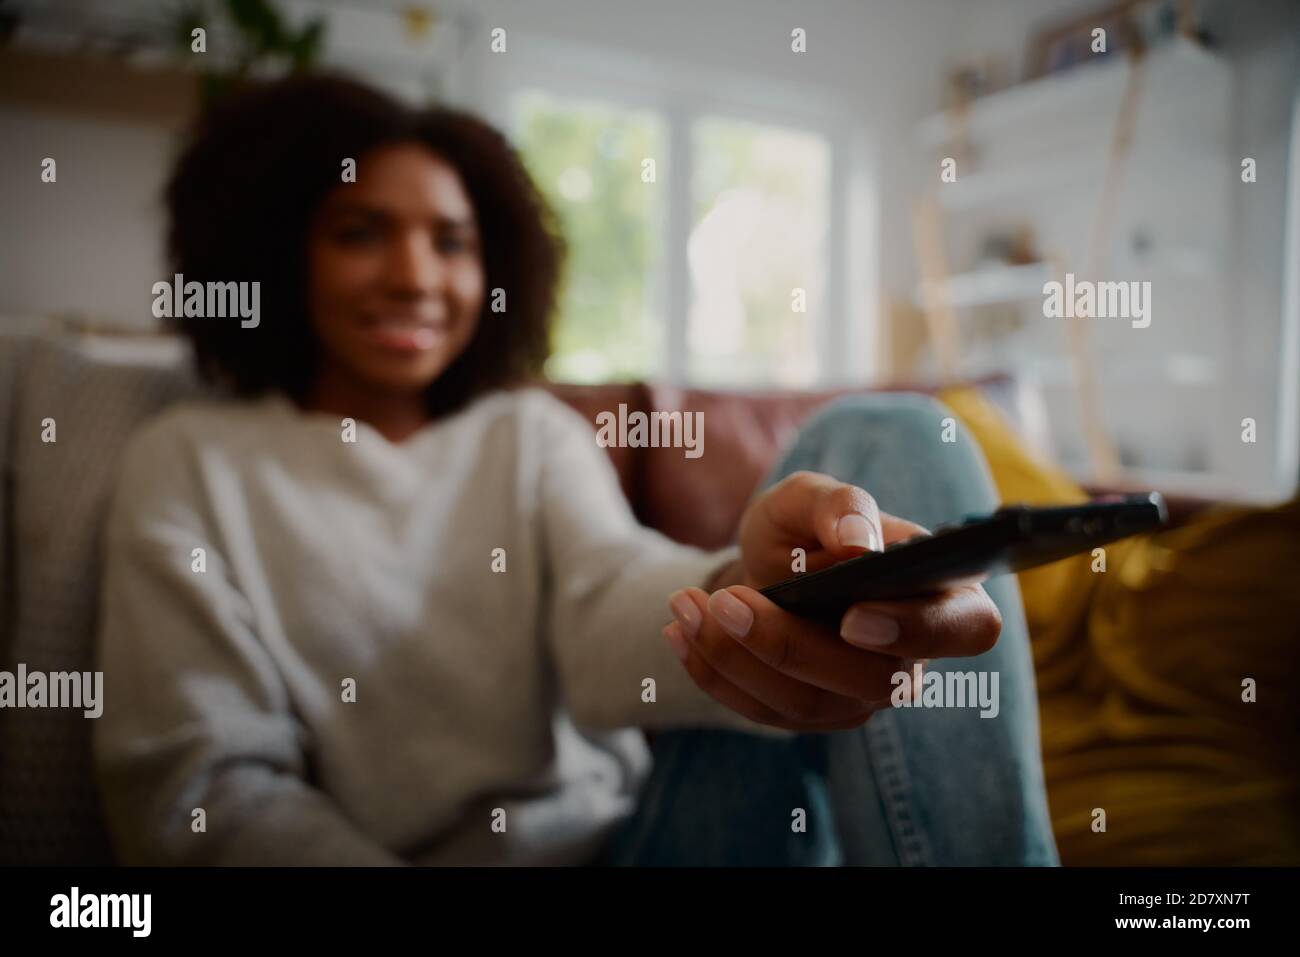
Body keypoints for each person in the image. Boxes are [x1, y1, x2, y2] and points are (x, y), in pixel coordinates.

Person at [92, 74, 1058, 866]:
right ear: (275, 254)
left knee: (899, 431)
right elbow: (204, 789)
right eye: (360, 232)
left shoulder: (525, 432)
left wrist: (747, 591)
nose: (416, 276)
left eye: (452, 241)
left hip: (655, 839)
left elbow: (606, 609)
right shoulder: (192, 462)